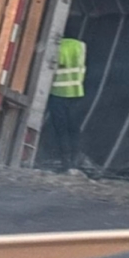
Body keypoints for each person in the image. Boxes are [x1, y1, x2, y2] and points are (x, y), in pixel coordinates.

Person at [44, 36, 87, 170]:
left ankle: (65, 160)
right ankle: (75, 158)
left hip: (58, 93)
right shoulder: (80, 47)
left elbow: (51, 67)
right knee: (74, 128)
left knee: (61, 129)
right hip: (76, 92)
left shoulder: (58, 48)